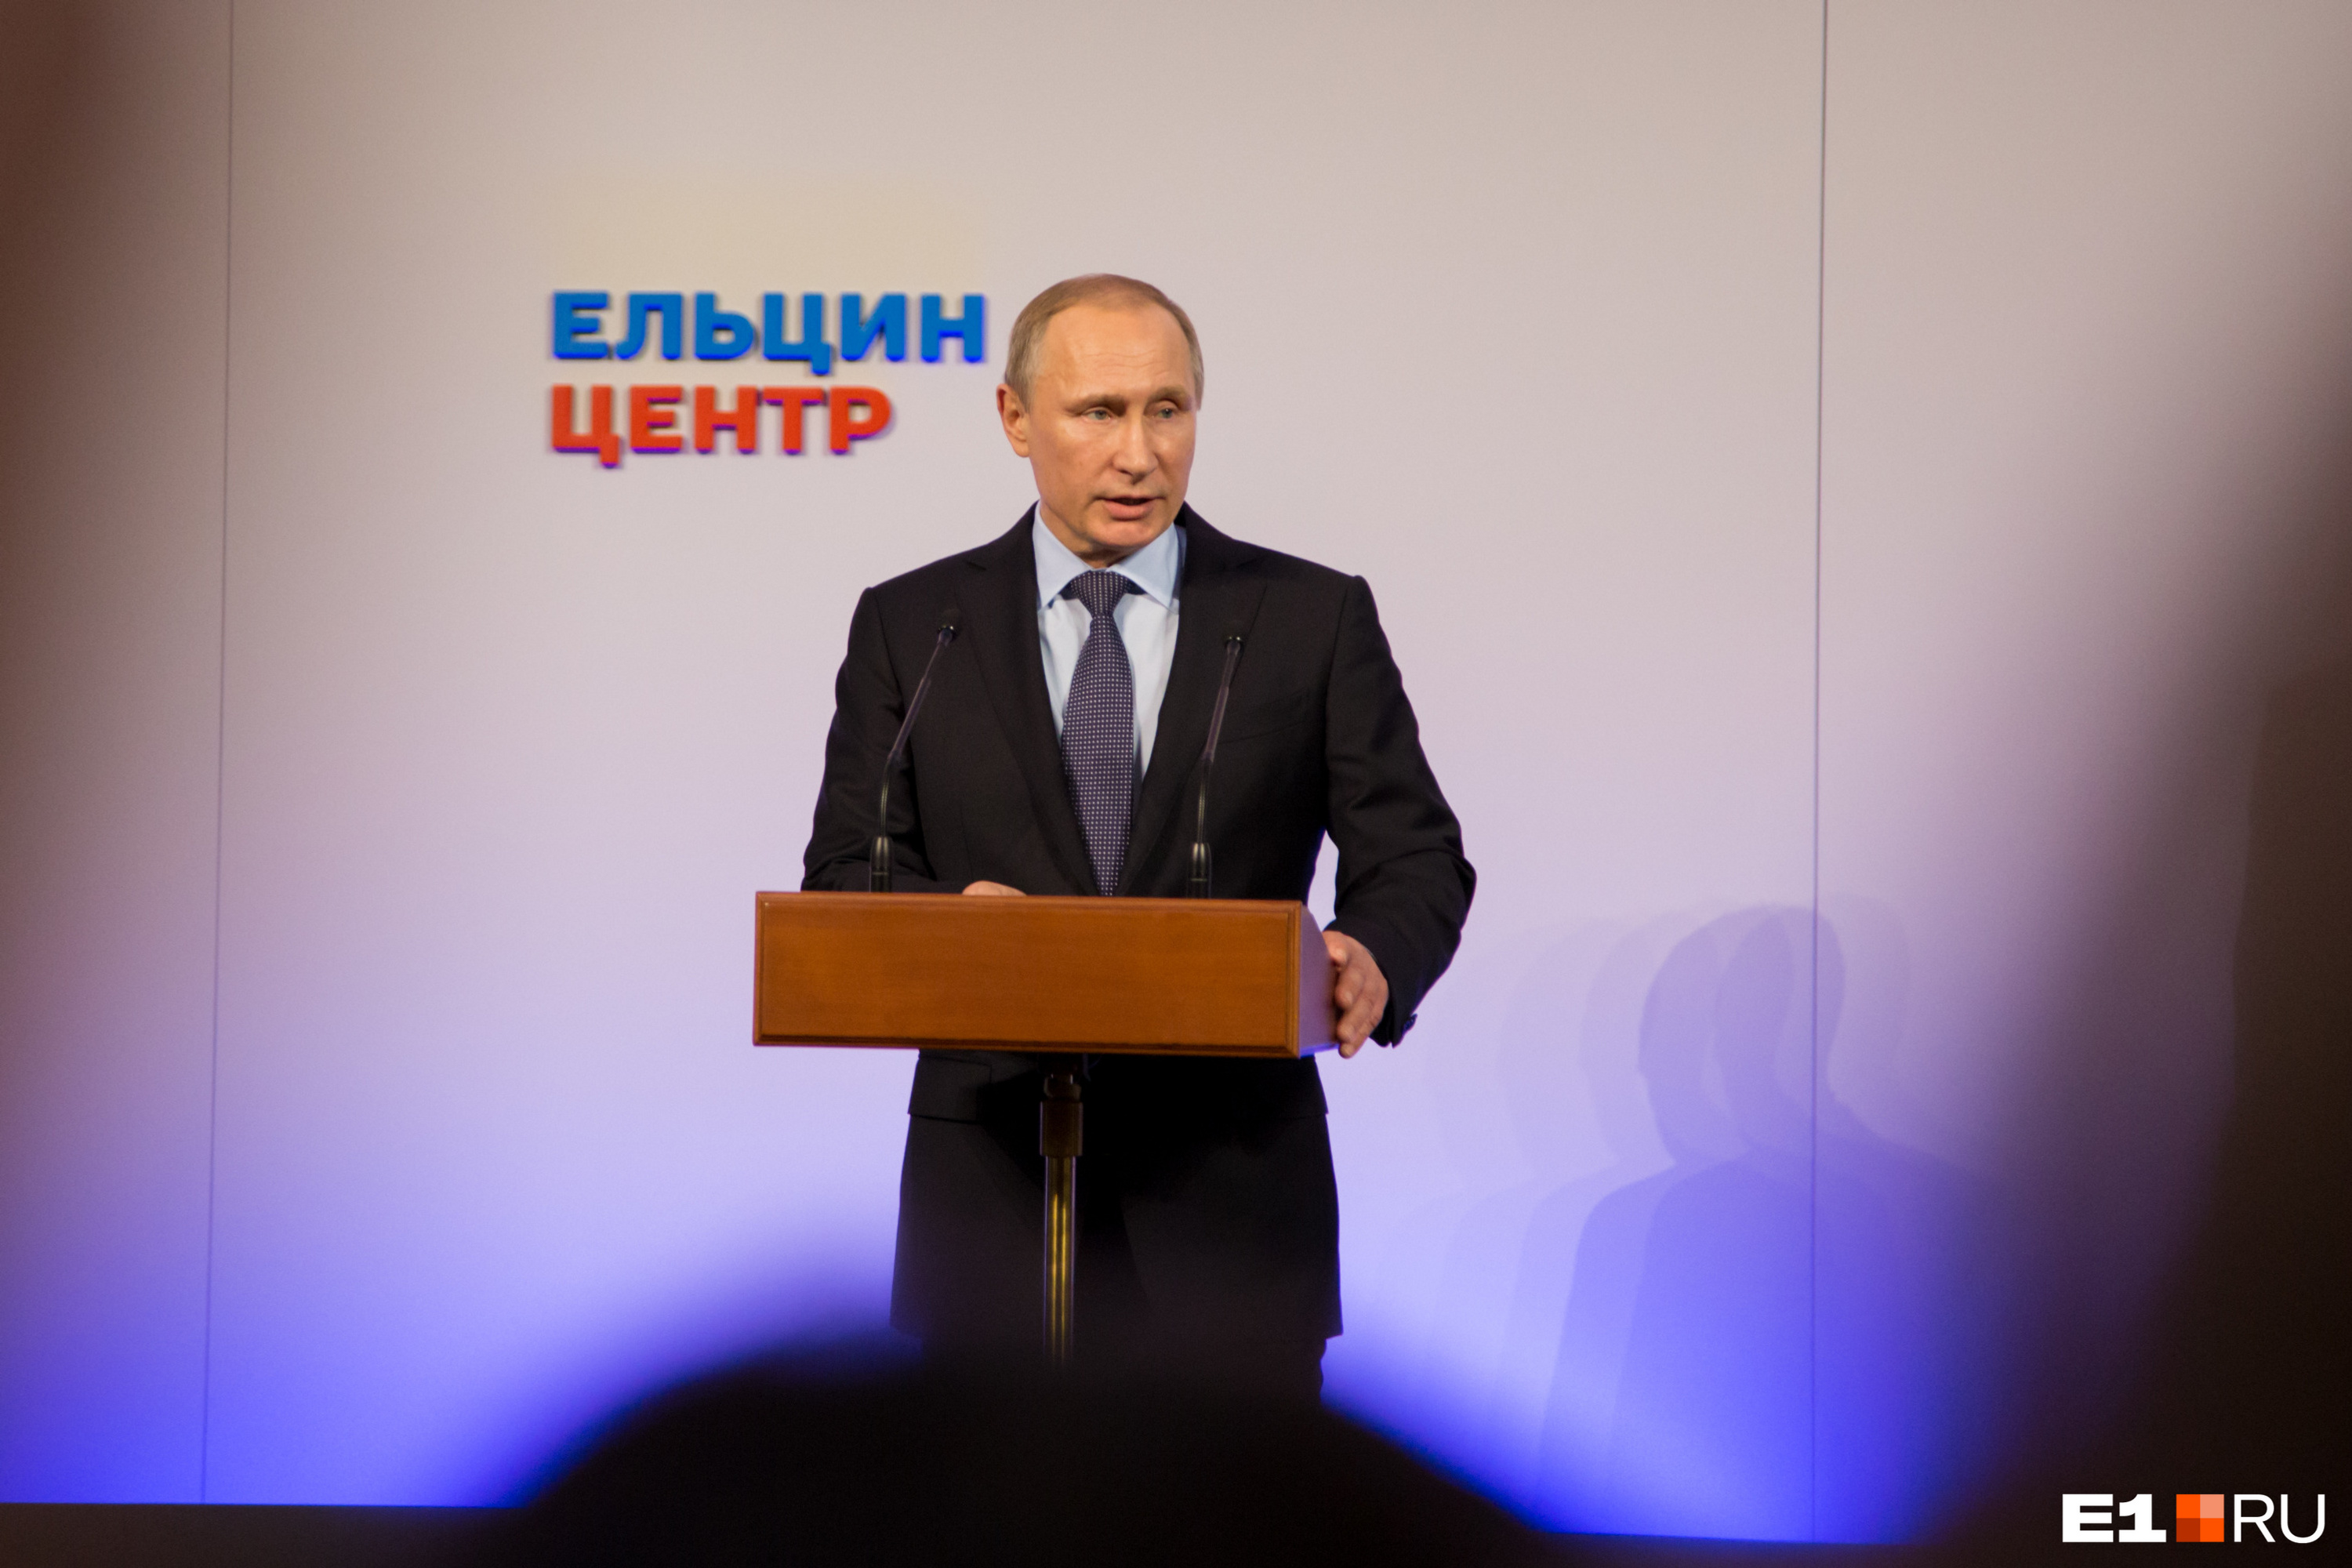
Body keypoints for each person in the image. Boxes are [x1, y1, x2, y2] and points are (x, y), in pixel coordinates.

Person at [801, 274, 1472, 1390]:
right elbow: (843, 876)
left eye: (1168, 410)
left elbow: (1415, 856)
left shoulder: (1309, 619)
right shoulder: (915, 626)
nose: (1140, 453)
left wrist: (1370, 953)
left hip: (1233, 1207)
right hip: (994, 1201)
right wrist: (946, 925)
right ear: (1016, 418)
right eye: (1099, 412)